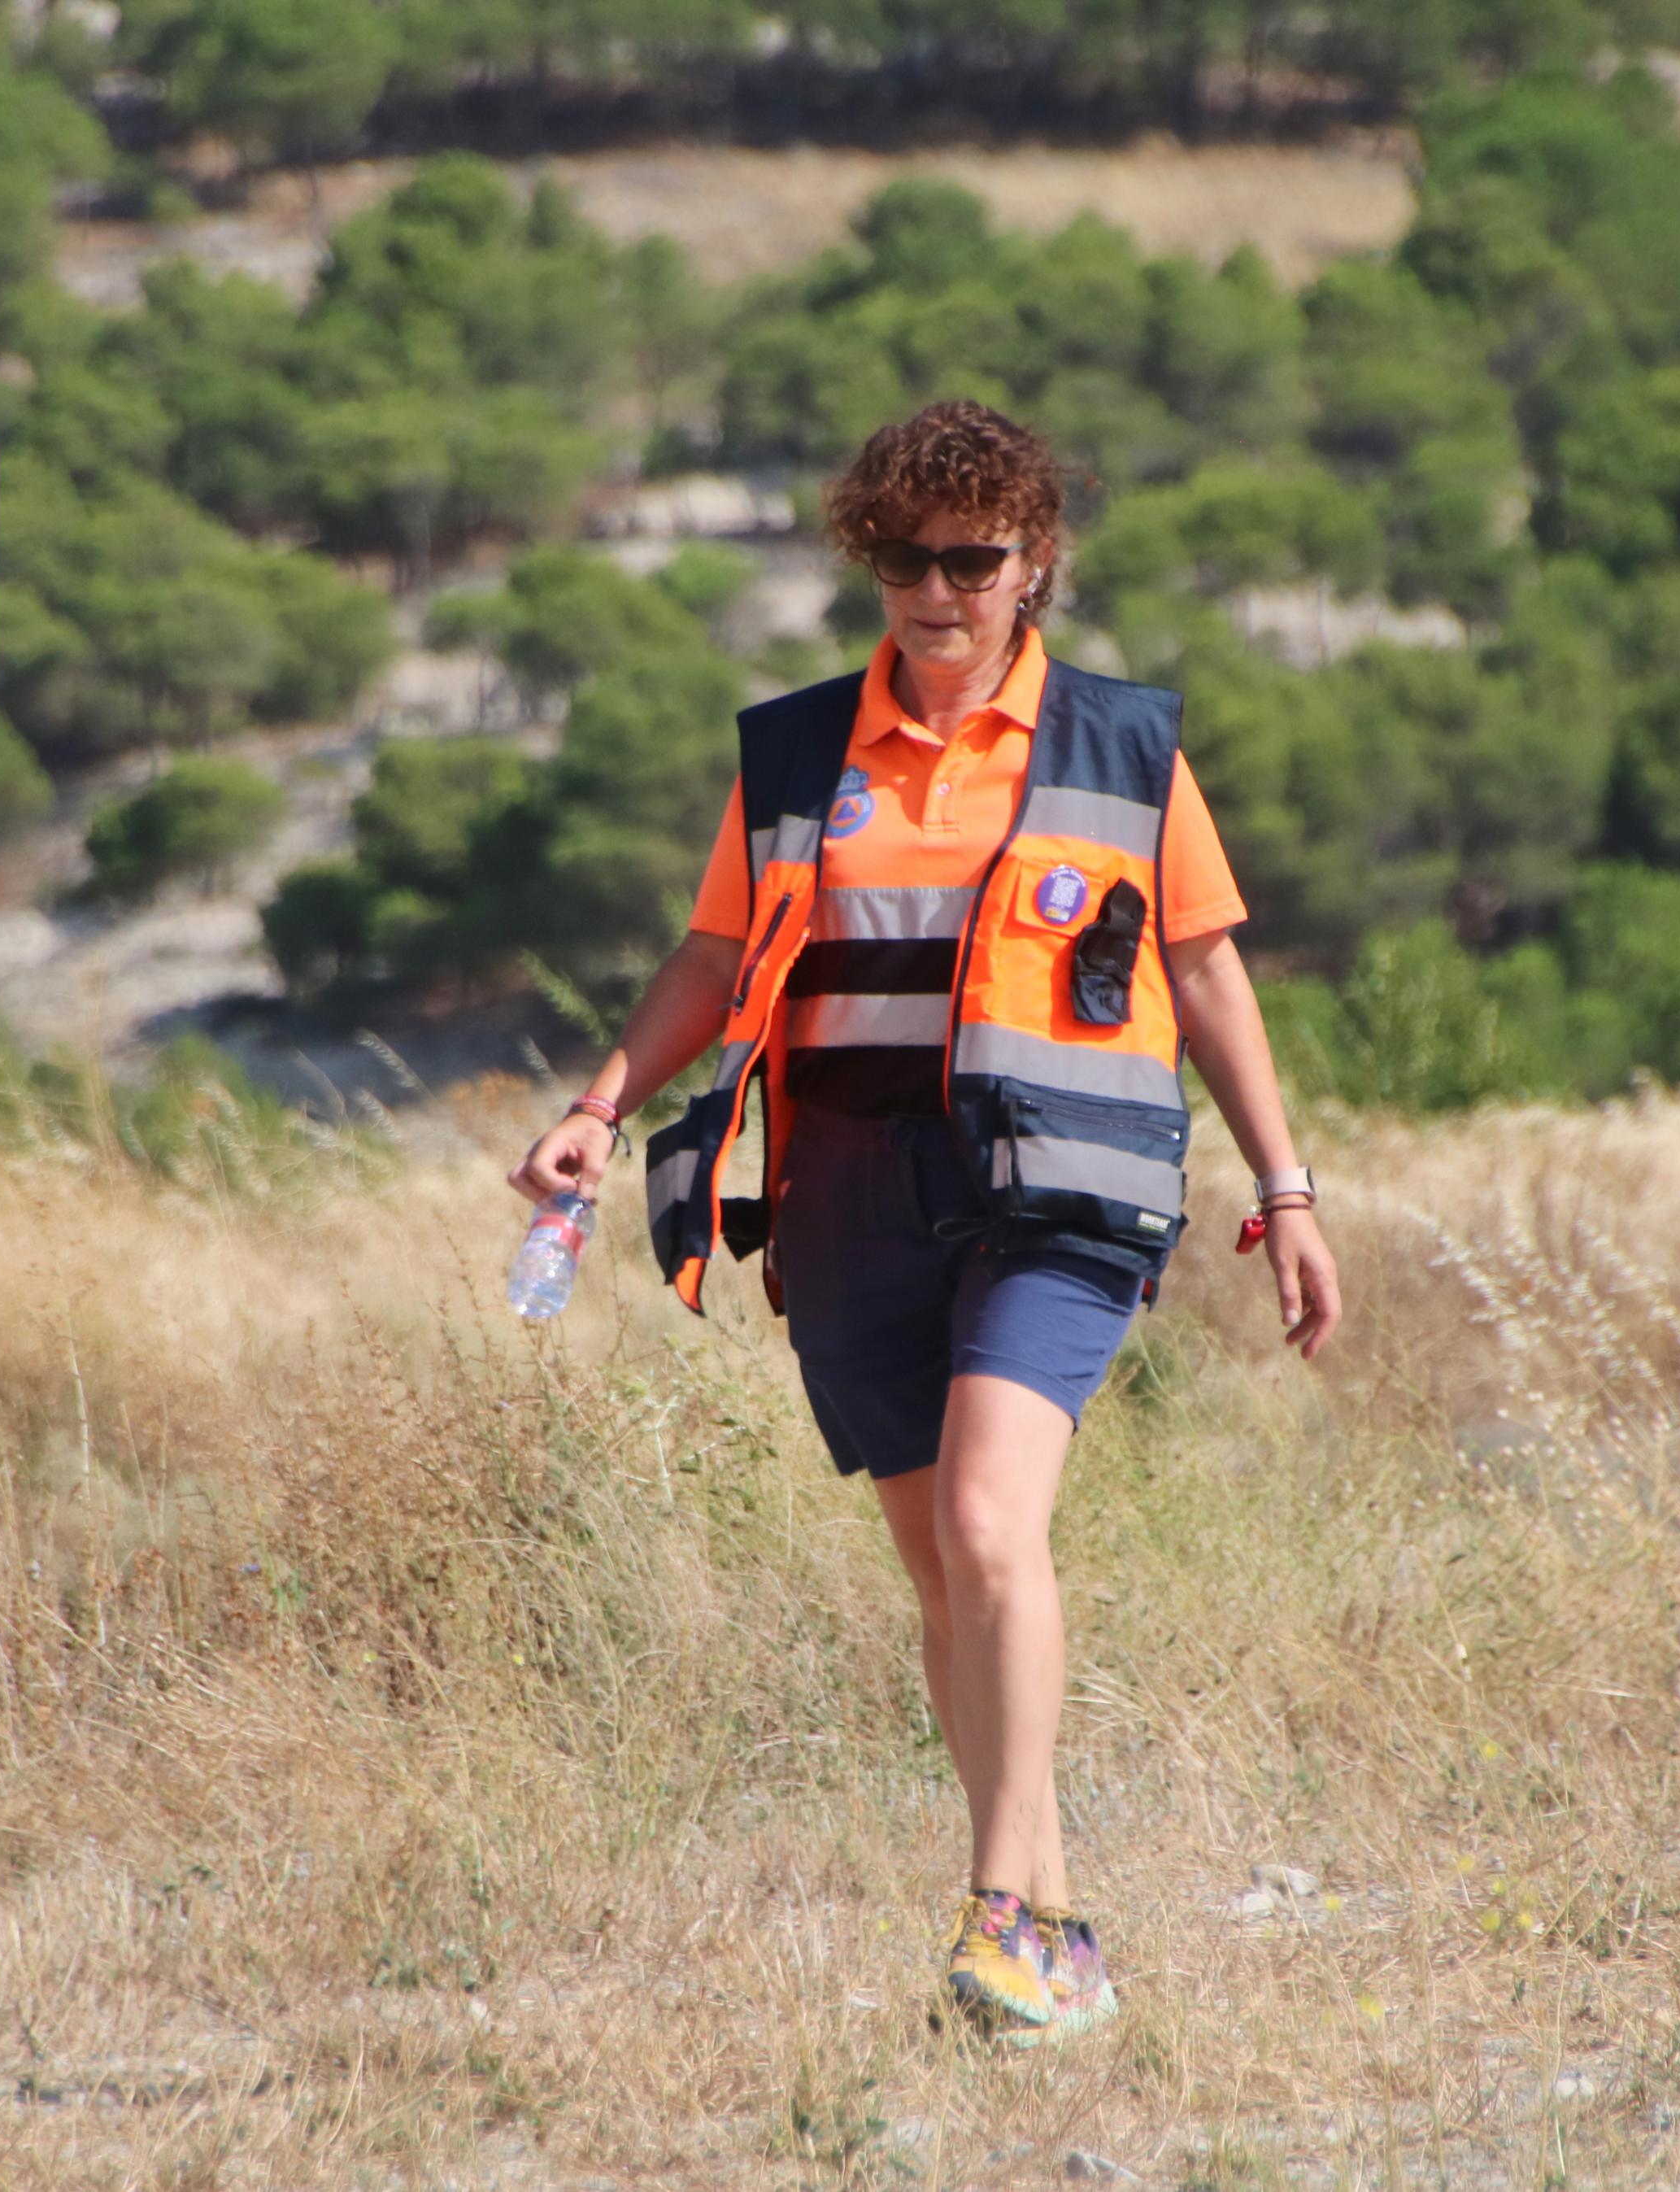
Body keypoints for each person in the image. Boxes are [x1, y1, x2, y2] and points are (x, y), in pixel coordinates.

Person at [507, 399, 1340, 2046]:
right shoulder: (802, 750)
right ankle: (1054, 1918)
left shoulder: (1121, 745)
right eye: (906, 558)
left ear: (1042, 564)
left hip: (1063, 1192)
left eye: (975, 559)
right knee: (938, 1572)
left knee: (983, 1525)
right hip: (850, 1194)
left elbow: (1202, 967)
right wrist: (598, 1102)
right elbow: (710, 955)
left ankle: (1000, 1910)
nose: (939, 590)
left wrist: (1288, 1186)